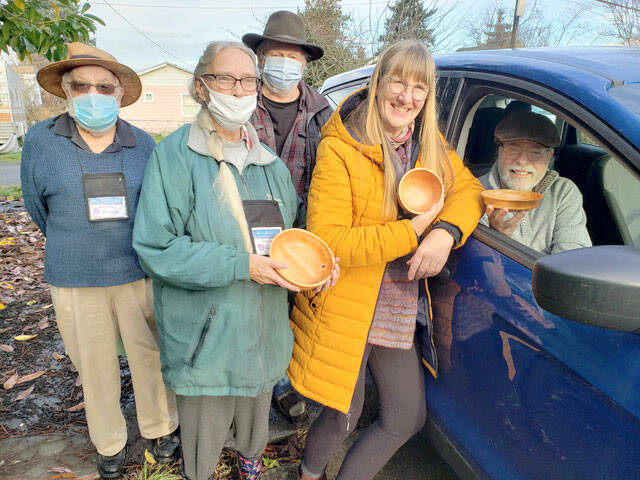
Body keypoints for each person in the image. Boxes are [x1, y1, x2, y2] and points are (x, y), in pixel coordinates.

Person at [132, 41, 338, 480]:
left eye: (248, 80)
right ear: (202, 86)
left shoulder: (269, 166)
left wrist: (320, 264)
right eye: (226, 78)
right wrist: (241, 265)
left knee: (254, 426)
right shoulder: (173, 159)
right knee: (203, 440)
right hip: (207, 337)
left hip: (261, 332)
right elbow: (156, 248)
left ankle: (250, 466)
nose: (239, 89)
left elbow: (293, 235)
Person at [287, 40, 485, 480]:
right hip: (345, 300)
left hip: (394, 301)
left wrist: (444, 233)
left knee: (405, 419)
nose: (406, 96)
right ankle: (309, 472)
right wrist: (411, 232)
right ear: (378, 84)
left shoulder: (426, 142)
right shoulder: (343, 147)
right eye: (397, 80)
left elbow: (470, 190)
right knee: (344, 415)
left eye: (419, 87)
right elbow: (329, 241)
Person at [20, 43, 179, 480]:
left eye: (104, 87)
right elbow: (37, 208)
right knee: (95, 365)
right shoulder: (40, 140)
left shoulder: (143, 145)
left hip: (136, 273)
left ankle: (161, 428)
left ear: (119, 92)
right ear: (66, 92)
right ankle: (109, 443)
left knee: (150, 356)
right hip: (73, 276)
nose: (93, 93)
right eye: (82, 85)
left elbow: (156, 209)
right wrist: (76, 242)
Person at [243, 10, 332, 422]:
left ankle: (282, 381)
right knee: (249, 304)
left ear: (305, 63)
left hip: (301, 228)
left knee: (290, 309)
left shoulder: (323, 112)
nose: (284, 64)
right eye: (275, 54)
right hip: (245, 226)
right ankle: (247, 386)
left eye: (293, 56)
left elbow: (331, 175)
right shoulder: (239, 104)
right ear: (260, 57)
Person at [479, 111, 592, 254]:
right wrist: (497, 237)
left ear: (550, 156)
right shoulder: (475, 192)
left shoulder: (563, 192)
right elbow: (482, 265)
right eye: (513, 149)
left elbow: (573, 260)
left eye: (535, 152)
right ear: (499, 151)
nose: (522, 161)